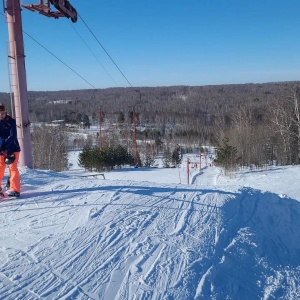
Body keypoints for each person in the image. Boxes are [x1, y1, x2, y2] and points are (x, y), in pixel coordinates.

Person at [0, 103, 21, 197]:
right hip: (1, 149)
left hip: (13, 148)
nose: (1, 114)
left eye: (2, 112)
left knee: (13, 168)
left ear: (5, 112)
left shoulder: (11, 121)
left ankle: (15, 189)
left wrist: (4, 145)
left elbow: (13, 136)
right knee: (0, 168)